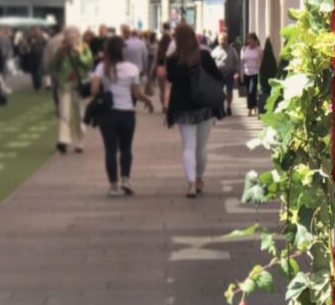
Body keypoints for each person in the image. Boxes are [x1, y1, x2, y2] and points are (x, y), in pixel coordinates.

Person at [164, 22, 224, 198]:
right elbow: (218, 77)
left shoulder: (173, 59)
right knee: (202, 147)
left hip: (183, 109)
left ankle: (190, 183)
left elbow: (170, 78)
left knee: (188, 147)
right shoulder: (204, 56)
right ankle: (198, 179)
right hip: (204, 106)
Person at [90, 35, 155, 197]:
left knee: (110, 150)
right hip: (126, 113)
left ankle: (113, 186)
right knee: (126, 148)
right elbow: (136, 93)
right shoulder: (132, 68)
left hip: (107, 114)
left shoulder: (101, 67)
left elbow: (93, 90)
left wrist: (104, 90)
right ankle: (125, 179)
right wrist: (147, 101)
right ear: (122, 50)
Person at [52, 26, 93, 153]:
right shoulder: (61, 50)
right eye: (69, 38)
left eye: (74, 37)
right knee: (64, 113)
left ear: (78, 37)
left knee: (80, 114)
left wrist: (79, 53)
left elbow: (89, 63)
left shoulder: (84, 47)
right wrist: (57, 78)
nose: (72, 40)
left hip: (80, 85)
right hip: (64, 85)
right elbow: (54, 66)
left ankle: (79, 142)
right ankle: (64, 140)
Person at [211, 32, 239, 118]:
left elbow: (236, 61)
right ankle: (221, 108)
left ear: (227, 40)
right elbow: (211, 63)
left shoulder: (232, 50)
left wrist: (237, 72)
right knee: (219, 92)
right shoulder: (214, 51)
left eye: (224, 39)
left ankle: (229, 107)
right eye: (221, 39)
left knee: (229, 92)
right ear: (218, 40)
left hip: (229, 74)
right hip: (218, 74)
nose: (222, 41)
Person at [240, 33, 263, 116]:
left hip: (255, 72)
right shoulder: (244, 49)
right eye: (249, 40)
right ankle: (254, 106)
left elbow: (262, 60)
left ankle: (250, 108)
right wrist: (241, 74)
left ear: (255, 41)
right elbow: (242, 62)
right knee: (248, 92)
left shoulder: (259, 50)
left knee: (252, 90)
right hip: (246, 72)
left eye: (252, 40)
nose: (250, 41)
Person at [122, 24, 149, 89]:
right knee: (136, 86)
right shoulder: (142, 43)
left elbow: (122, 55)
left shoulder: (125, 43)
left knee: (128, 86)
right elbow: (145, 57)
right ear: (137, 35)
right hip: (138, 68)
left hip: (127, 68)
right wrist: (146, 68)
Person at [25, 26, 48, 92]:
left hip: (40, 54)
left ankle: (38, 85)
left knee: (38, 70)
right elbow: (26, 45)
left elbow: (46, 44)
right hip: (32, 55)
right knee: (33, 71)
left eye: (37, 30)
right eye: (35, 30)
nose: (36, 31)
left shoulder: (42, 37)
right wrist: (28, 45)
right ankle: (35, 86)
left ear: (39, 30)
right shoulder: (30, 37)